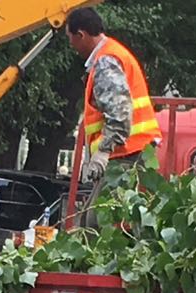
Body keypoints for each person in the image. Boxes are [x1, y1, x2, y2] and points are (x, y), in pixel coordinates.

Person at [64, 9, 161, 186]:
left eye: (70, 37)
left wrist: (103, 152)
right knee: (96, 213)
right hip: (132, 152)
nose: (70, 44)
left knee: (98, 213)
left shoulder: (106, 61)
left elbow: (119, 113)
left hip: (126, 155)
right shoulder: (113, 53)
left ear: (81, 35)